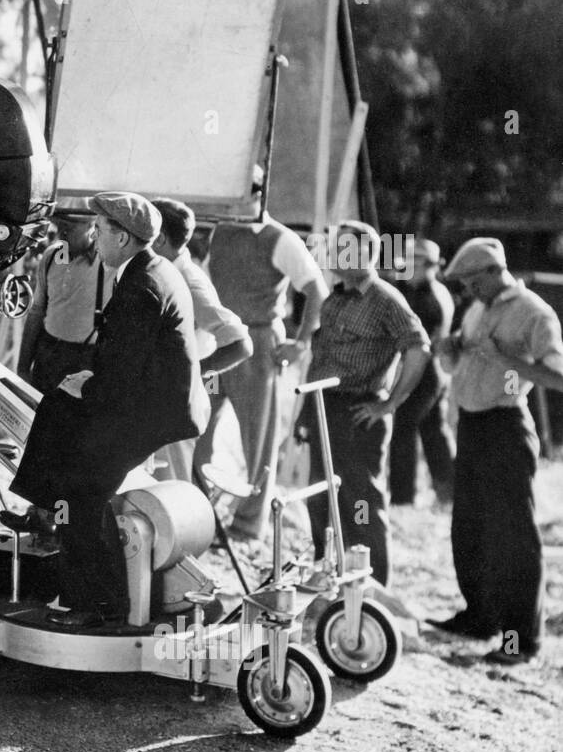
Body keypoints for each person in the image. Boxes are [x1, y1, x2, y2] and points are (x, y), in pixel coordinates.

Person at [8, 192, 209, 627]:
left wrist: (86, 386)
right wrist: (83, 385)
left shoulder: (140, 287)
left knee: (80, 487)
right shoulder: (151, 268)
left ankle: (94, 604)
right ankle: (43, 503)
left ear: (120, 236)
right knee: (60, 418)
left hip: (153, 410)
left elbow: (119, 379)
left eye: (100, 230)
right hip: (157, 401)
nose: (94, 236)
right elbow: (125, 361)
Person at [429, 237, 563, 666]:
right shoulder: (477, 309)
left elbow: (558, 376)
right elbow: (458, 364)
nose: (467, 292)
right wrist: (449, 350)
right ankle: (479, 618)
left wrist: (510, 360)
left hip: (506, 426)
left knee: (513, 540)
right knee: (469, 529)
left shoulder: (534, 312)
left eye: (471, 283)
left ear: (493, 272)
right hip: (471, 427)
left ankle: (519, 642)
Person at [297, 221, 430, 587]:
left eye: (343, 249)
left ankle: (369, 588)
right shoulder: (334, 296)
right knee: (321, 500)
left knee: (360, 506)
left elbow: (418, 348)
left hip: (359, 413)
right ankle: (329, 580)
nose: (334, 256)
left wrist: (390, 403)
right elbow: (320, 356)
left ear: (366, 255)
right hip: (324, 408)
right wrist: (304, 415)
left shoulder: (386, 300)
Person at [195, 176, 327, 539]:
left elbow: (317, 290)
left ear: (257, 192)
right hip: (219, 340)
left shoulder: (279, 237)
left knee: (259, 435)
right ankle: (201, 513)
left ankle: (249, 522)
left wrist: (301, 343)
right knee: (198, 424)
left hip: (258, 339)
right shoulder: (222, 231)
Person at [151, 198, 252, 483]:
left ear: (159, 239)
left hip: (177, 403)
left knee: (174, 491)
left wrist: (193, 371)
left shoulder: (188, 280)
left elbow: (240, 343)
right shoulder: (159, 272)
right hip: (152, 399)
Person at [389, 237, 456, 505]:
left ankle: (403, 497)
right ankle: (449, 493)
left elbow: (415, 344)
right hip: (434, 372)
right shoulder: (432, 291)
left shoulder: (427, 298)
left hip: (424, 372)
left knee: (403, 427)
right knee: (434, 432)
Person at [15, 215, 103, 393]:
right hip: (47, 354)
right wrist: (23, 367)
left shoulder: (107, 262)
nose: (62, 232)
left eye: (70, 227)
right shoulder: (53, 255)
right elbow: (37, 311)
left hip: (83, 361)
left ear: (91, 226)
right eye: (59, 225)